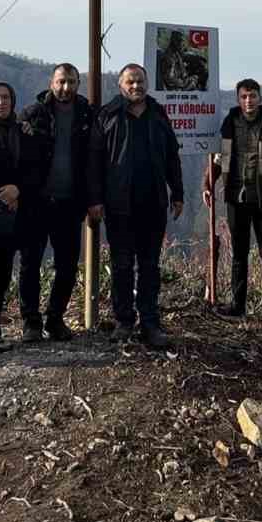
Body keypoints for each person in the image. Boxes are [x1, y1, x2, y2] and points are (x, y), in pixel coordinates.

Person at [88, 63, 184, 348]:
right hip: (119, 204)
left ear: (147, 83)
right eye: (130, 82)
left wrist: (177, 192)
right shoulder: (107, 115)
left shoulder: (158, 113)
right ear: (120, 85)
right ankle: (124, 321)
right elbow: (93, 161)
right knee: (121, 266)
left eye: (140, 81)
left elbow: (172, 156)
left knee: (150, 266)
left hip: (153, 202)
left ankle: (150, 322)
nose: (136, 86)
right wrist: (94, 199)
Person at [20, 63, 96, 341]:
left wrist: (92, 199)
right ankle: (30, 323)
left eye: (72, 82)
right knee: (31, 263)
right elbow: (19, 158)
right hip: (37, 203)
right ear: (52, 82)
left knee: (66, 265)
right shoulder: (33, 114)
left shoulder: (87, 114)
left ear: (78, 84)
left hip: (70, 204)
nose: (66, 87)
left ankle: (55, 319)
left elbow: (94, 161)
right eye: (61, 81)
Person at [203, 78, 262, 321]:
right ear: (238, 99)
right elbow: (220, 157)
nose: (248, 101)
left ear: (260, 97)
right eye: (244, 97)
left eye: (252, 96)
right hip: (236, 196)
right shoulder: (231, 121)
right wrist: (208, 183)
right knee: (239, 254)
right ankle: (237, 306)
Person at [0, 81, 37, 350]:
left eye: (6, 98)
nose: (2, 103)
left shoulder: (21, 130)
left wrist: (18, 190)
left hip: (12, 215)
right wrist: (0, 193)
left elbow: (32, 168)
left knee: (0, 276)